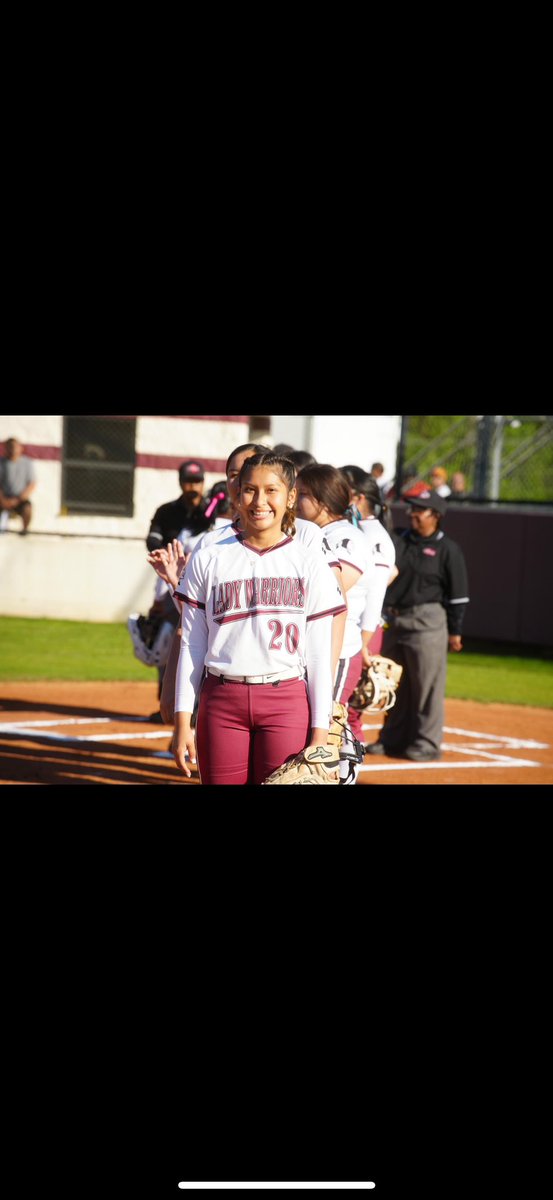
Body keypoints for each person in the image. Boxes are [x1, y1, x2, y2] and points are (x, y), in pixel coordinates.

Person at [172, 452, 347, 785]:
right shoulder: (209, 557)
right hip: (222, 699)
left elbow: (318, 657)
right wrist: (182, 722)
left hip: (287, 701)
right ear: (237, 494)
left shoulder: (309, 562)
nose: (259, 501)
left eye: (272, 490)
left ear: (291, 497)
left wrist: (320, 734)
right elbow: (192, 645)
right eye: (250, 490)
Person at [296, 463, 394, 782]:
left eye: (304, 494)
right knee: (315, 716)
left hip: (339, 648)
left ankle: (344, 777)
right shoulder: (312, 533)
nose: (295, 500)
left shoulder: (348, 537)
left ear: (323, 501)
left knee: (332, 717)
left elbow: (335, 587)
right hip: (312, 646)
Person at [365, 487, 469, 763]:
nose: (412, 514)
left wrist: (456, 631)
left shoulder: (448, 549)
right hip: (394, 620)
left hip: (428, 622)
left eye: (419, 510)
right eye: (411, 508)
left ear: (435, 515)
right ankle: (392, 738)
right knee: (394, 683)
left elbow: (458, 595)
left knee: (426, 686)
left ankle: (427, 742)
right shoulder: (399, 539)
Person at [146, 460, 207, 553]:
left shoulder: (212, 510)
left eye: (197, 481)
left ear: (203, 483)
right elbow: (153, 539)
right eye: (188, 481)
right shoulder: (165, 511)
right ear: (180, 482)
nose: (193, 486)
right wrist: (168, 554)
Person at [0, 438, 37, 535]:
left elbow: (32, 484)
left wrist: (18, 499)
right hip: (3, 498)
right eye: (10, 447)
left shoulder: (27, 463)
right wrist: (3, 500)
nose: (13, 449)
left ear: (21, 448)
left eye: (15, 447)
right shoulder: (1, 463)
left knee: (27, 508)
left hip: (20, 499)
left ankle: (24, 530)